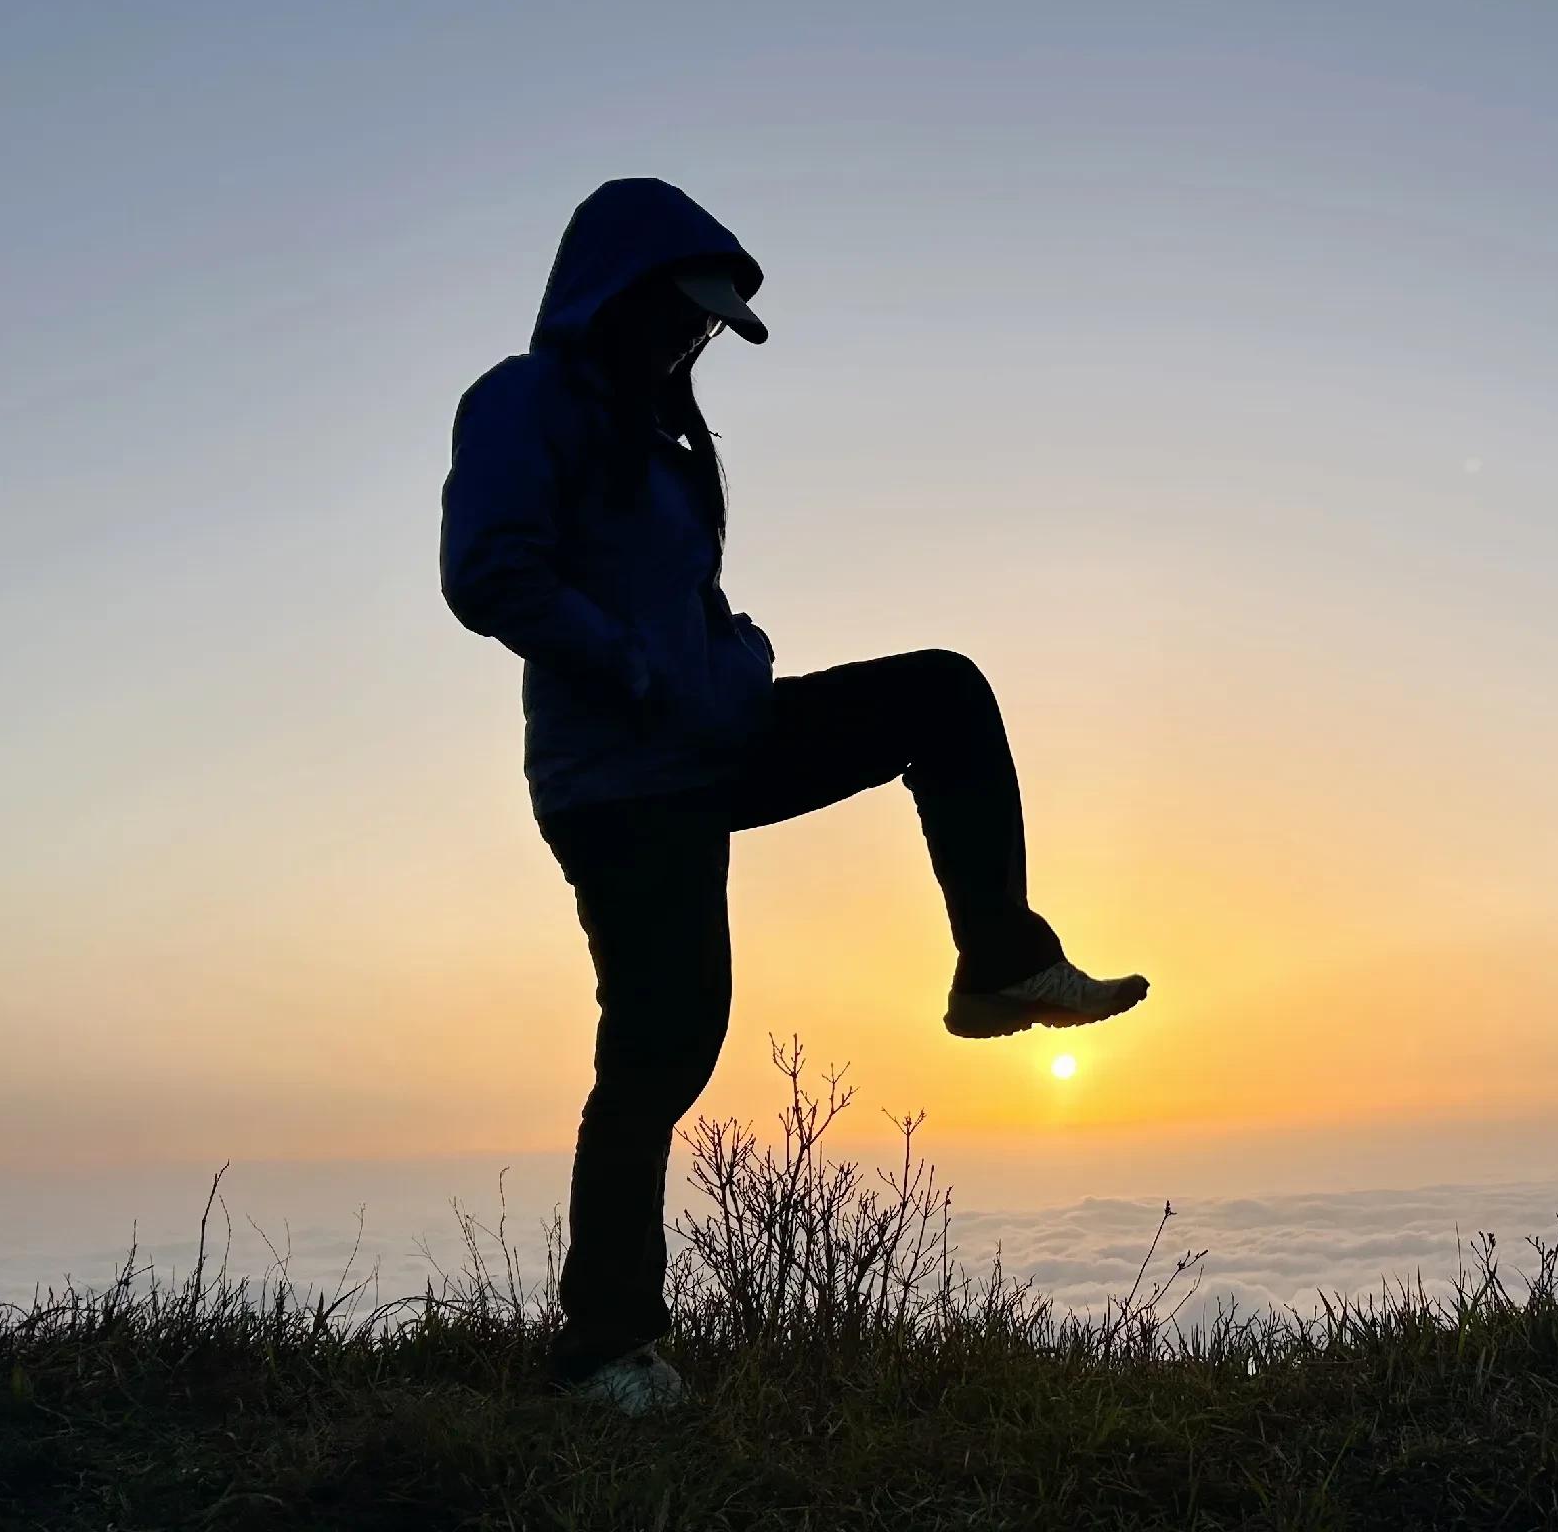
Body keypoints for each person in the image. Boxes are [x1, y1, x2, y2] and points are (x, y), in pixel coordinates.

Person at [438, 178, 1149, 1413]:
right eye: (678, 317)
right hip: (617, 784)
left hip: (713, 737)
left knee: (942, 693)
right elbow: (490, 573)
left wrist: (733, 653)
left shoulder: (665, 444)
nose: (689, 342)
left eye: (702, 329)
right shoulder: (521, 403)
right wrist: (642, 671)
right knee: (664, 1048)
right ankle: (604, 1348)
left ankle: (1000, 964)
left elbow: (690, 602)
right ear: (619, 296)